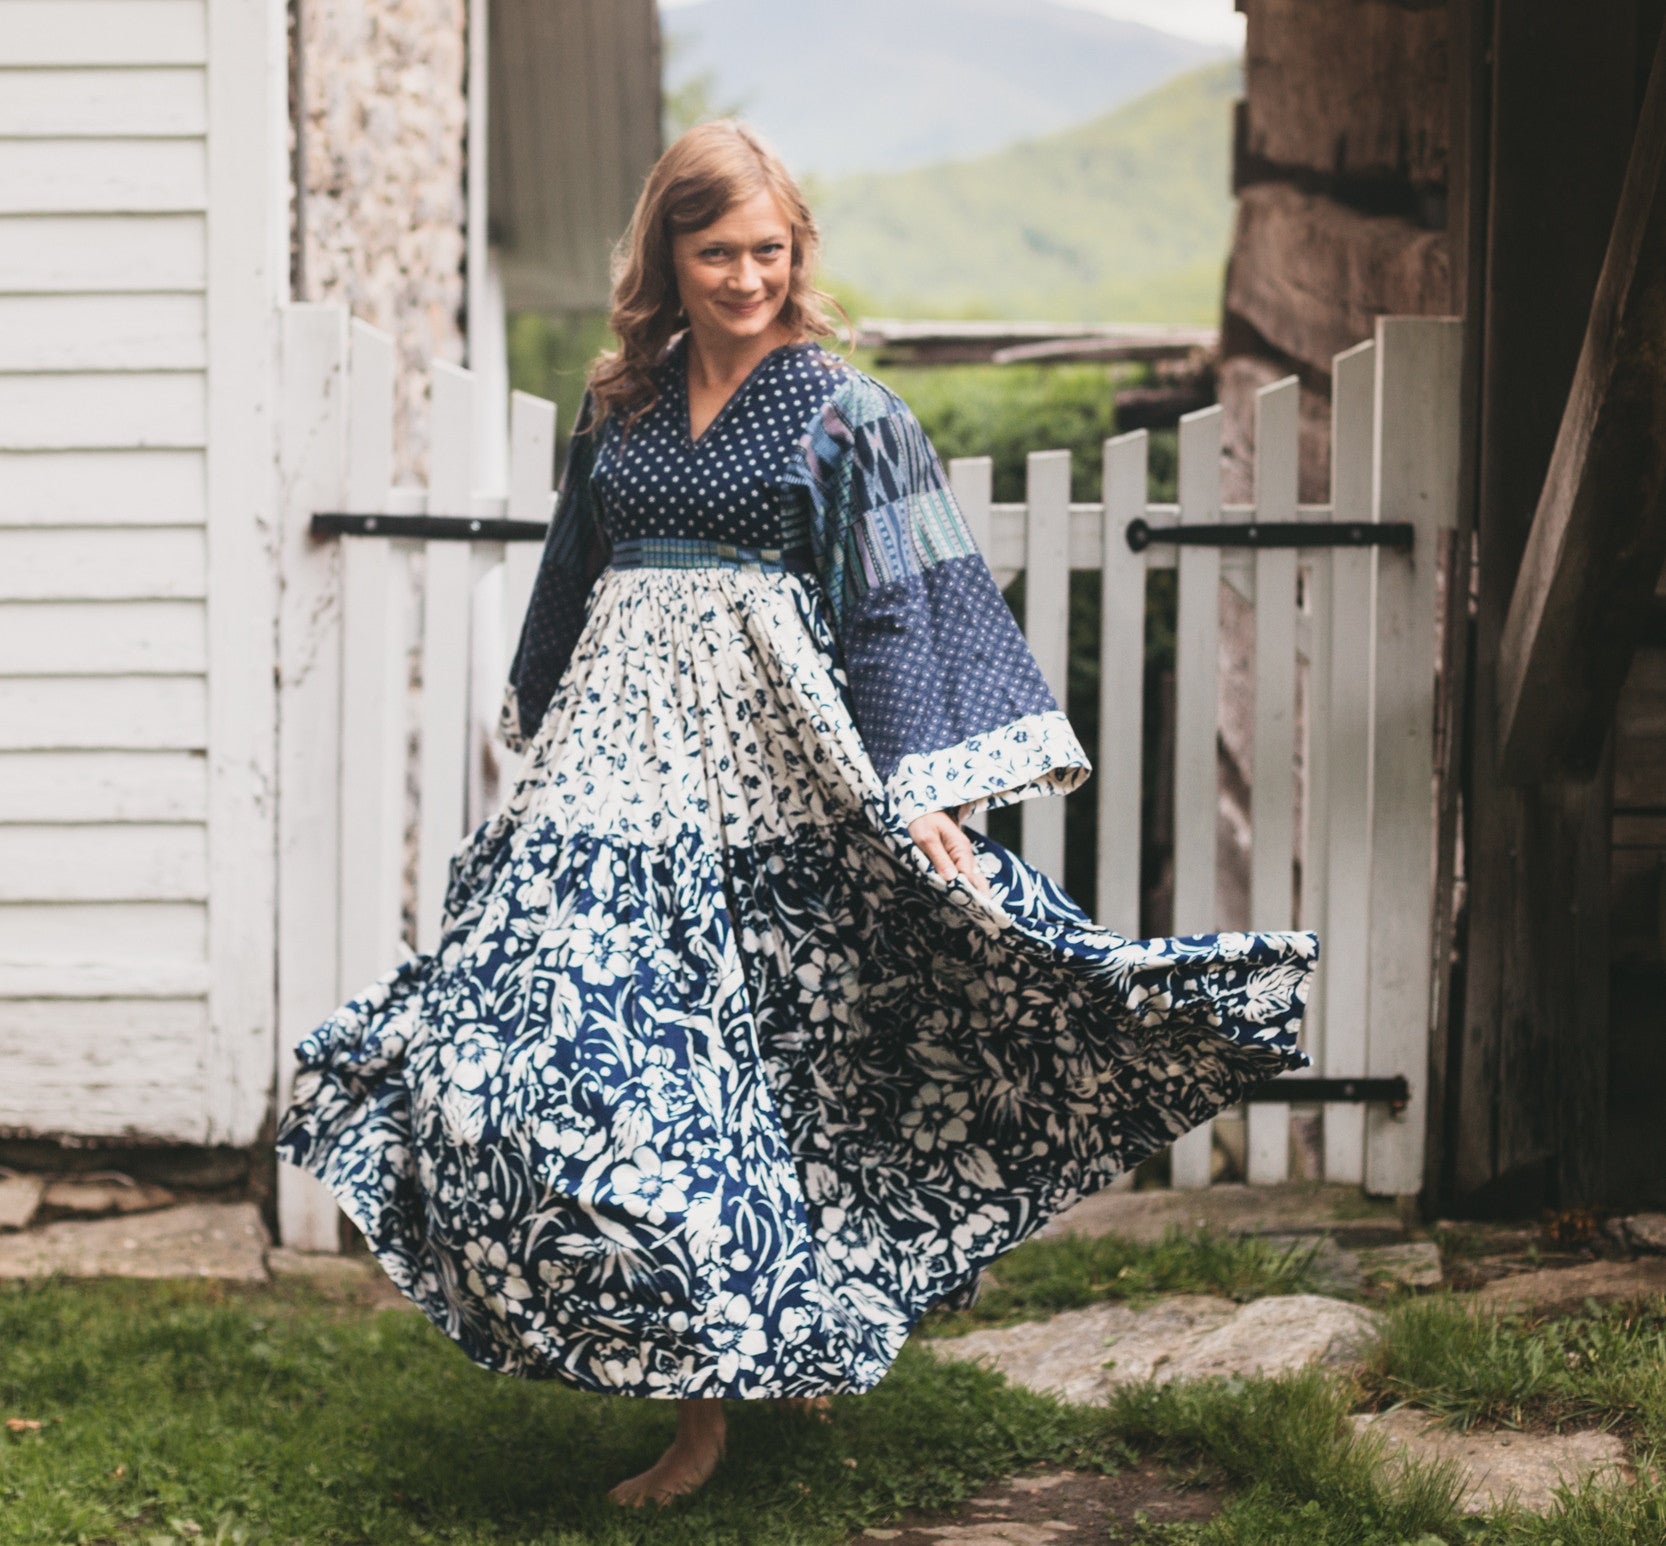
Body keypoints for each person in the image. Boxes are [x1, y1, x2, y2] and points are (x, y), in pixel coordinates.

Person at [276, 119, 1316, 1508]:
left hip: (777, 768)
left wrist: (928, 784)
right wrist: (535, 712)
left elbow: (894, 608)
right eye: (719, 253)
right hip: (620, 769)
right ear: (667, 255)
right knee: (573, 1040)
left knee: (774, 1060)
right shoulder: (619, 405)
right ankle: (696, 1350)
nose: (749, 276)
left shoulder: (845, 412)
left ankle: (740, 1378)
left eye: (770, 250)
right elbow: (573, 572)